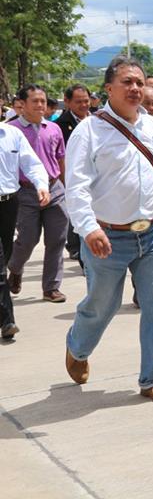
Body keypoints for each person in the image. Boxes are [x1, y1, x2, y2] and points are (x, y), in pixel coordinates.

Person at [63, 54, 153, 404]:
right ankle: (78, 347)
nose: (135, 88)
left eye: (139, 82)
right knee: (103, 304)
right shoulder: (89, 131)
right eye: (127, 82)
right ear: (108, 88)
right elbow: (76, 186)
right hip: (107, 236)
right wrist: (88, 229)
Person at [6, 85, 70, 304]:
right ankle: (15, 268)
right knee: (28, 239)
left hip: (54, 189)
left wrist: (65, 187)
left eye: (43, 101)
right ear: (22, 104)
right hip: (24, 192)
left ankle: (51, 287)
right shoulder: (10, 130)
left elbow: (60, 159)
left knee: (57, 239)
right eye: (35, 101)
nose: (41, 105)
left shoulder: (53, 128)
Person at [0, 121, 50, 340]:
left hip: (9, 203)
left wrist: (41, 185)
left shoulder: (12, 134)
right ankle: (7, 320)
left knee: (5, 257)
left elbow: (32, 163)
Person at [58, 84, 91, 261]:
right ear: (67, 102)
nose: (83, 105)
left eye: (86, 101)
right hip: (73, 175)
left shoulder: (99, 120)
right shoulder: (61, 125)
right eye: (78, 102)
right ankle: (76, 247)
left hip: (95, 175)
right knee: (76, 211)